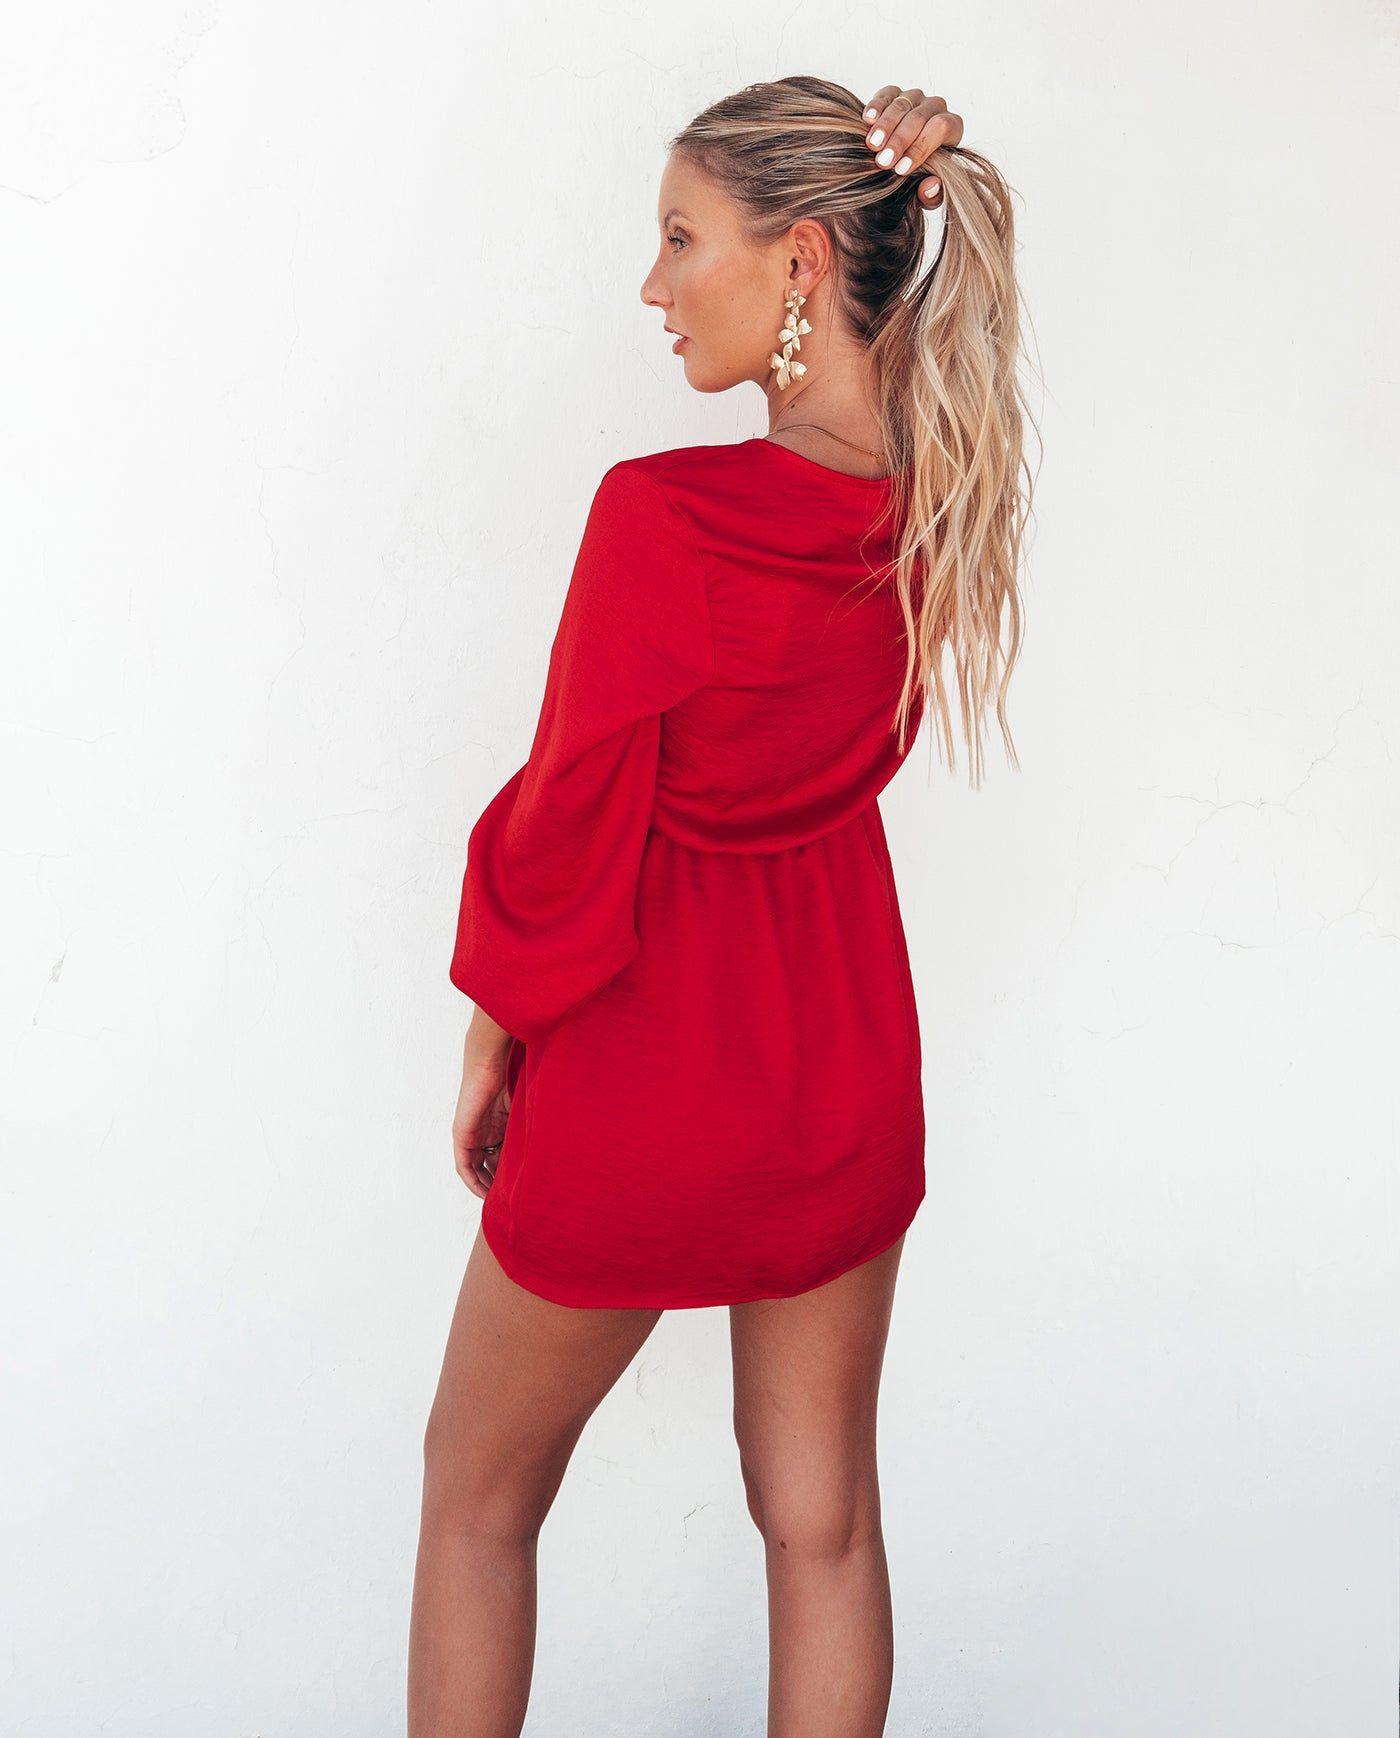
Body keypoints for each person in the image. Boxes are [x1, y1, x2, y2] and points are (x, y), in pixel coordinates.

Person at [408, 76, 1033, 1737]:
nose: (654, 282)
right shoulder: (938, 503)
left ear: (802, 260)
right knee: (822, 1522)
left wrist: (492, 1031)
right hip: (837, 1073)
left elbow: (566, 827)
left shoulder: (666, 519)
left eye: (683, 238)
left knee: (475, 1498)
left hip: (647, 1077)